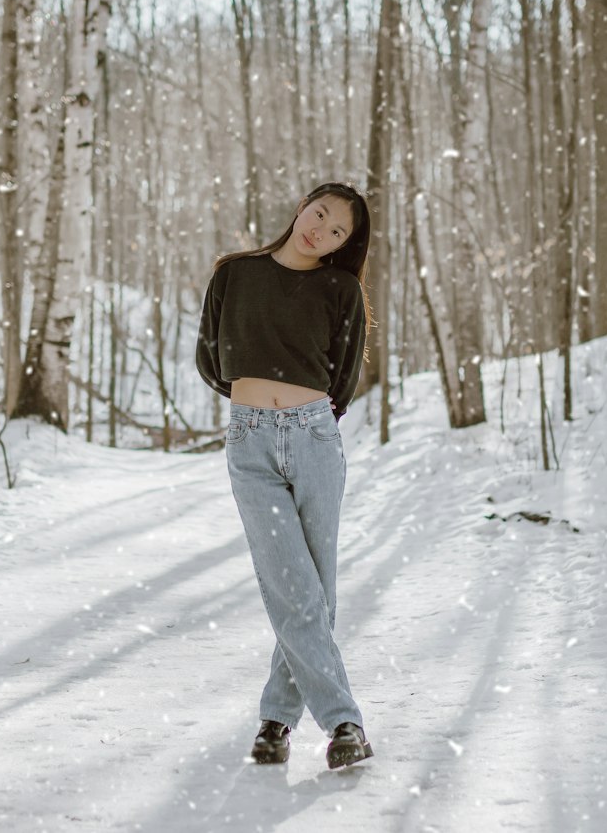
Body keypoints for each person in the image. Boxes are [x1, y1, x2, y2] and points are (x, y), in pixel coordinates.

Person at [196, 182, 374, 771]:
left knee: (309, 589)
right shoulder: (234, 273)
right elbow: (210, 358)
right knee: (292, 585)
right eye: (318, 213)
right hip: (249, 442)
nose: (319, 230)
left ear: (343, 244)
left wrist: (302, 416)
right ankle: (343, 720)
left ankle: (276, 723)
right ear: (301, 207)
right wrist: (255, 398)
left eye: (336, 231)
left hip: (315, 437)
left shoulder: (340, 289)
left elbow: (342, 377)